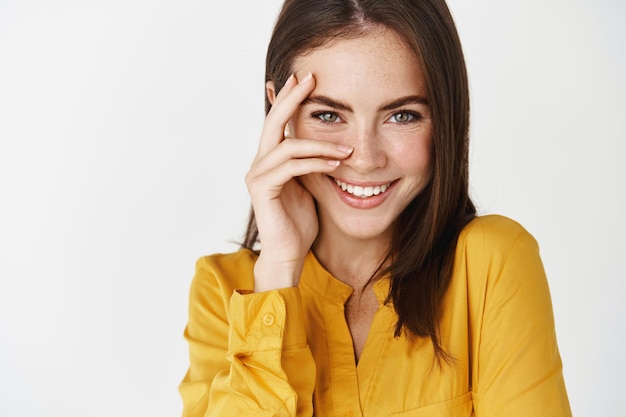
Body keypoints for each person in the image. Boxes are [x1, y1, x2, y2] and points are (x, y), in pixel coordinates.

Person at [179, 0, 572, 415]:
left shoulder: (493, 263)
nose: (365, 158)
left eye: (402, 115)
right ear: (281, 111)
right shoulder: (225, 290)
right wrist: (278, 270)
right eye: (329, 114)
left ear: (445, 114)